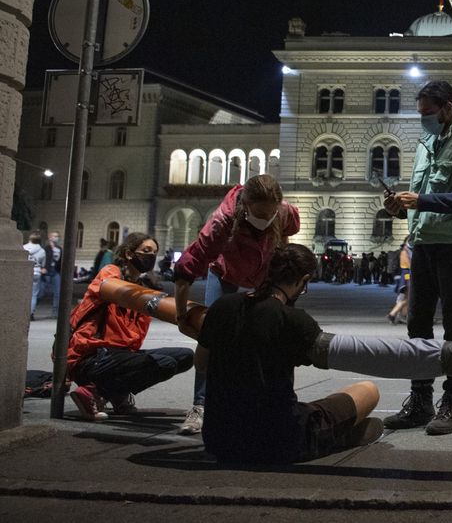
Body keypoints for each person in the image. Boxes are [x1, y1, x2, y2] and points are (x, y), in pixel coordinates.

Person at [199, 243, 383, 463]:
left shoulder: (222, 306)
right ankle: (333, 436)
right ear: (303, 280)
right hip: (280, 442)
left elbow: (201, 363)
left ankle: (331, 431)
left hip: (219, 440)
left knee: (315, 407)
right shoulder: (294, 320)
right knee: (368, 390)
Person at [381, 80, 452, 435]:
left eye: (428, 112)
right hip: (424, 243)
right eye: (421, 113)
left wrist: (422, 201)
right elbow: (421, 198)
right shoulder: (426, 144)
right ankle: (420, 401)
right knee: (418, 327)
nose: (424, 119)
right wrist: (399, 209)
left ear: (448, 108)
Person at [172, 174, 301, 436]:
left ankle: (263, 402)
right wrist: (181, 315)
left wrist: (280, 279)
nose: (265, 221)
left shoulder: (285, 213)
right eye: (259, 214)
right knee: (213, 333)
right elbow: (188, 267)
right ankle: (200, 405)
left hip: (263, 274)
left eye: (270, 214)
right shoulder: (222, 222)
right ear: (245, 205)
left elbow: (285, 238)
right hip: (225, 273)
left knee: (268, 335)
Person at [67, 232, 194, 421]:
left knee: (185, 356)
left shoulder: (143, 286)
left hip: (119, 357)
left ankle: (117, 392)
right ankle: (93, 391)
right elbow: (109, 288)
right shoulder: (111, 273)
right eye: (146, 250)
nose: (151, 256)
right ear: (128, 254)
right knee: (165, 364)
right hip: (92, 356)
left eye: (154, 252)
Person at [387, 238, 412, 324]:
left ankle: (403, 316)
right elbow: (408, 265)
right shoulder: (405, 251)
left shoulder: (405, 250)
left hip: (406, 275)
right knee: (408, 298)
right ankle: (392, 314)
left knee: (406, 297)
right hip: (407, 275)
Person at [24, 232, 46, 321]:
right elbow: (43, 264)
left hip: (25, 272)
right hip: (36, 272)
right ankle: (31, 313)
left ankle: (23, 311)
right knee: (34, 294)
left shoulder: (24, 247)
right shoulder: (42, 250)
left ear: (30, 239)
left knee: (24, 293)